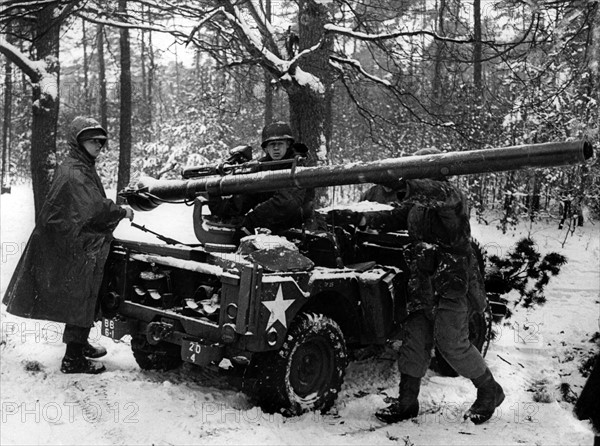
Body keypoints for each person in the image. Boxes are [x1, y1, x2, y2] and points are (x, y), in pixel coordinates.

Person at [357, 147, 504, 425]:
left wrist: (407, 185)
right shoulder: (417, 204)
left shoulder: (452, 197)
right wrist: (362, 219)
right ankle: (407, 402)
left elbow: (437, 196)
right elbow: (393, 218)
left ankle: (489, 391)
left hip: (451, 283)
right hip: (422, 282)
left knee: (452, 343)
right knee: (414, 341)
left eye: (422, 168)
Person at [2, 116, 134, 374]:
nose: (99, 145)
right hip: (78, 245)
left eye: (101, 141)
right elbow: (94, 207)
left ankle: (79, 343)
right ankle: (73, 359)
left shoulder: (81, 165)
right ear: (79, 141)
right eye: (93, 140)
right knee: (82, 296)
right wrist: (121, 211)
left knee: (83, 296)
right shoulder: (75, 171)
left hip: (75, 241)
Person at [208, 121, 314, 236]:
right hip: (274, 227)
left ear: (288, 144)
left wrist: (250, 222)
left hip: (300, 228)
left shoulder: (298, 165)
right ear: (266, 148)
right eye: (272, 144)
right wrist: (218, 204)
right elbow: (248, 196)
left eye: (280, 143)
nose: (276, 148)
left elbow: (286, 204)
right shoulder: (263, 166)